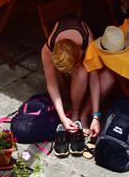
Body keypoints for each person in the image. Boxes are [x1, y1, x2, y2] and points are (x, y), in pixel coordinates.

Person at [40, 16, 116, 157]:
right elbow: (51, 84)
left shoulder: (88, 43)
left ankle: (84, 114)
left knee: (108, 78)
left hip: (91, 46)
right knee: (80, 73)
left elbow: (94, 80)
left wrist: (96, 116)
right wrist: (62, 117)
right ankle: (74, 114)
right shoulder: (47, 49)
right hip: (69, 53)